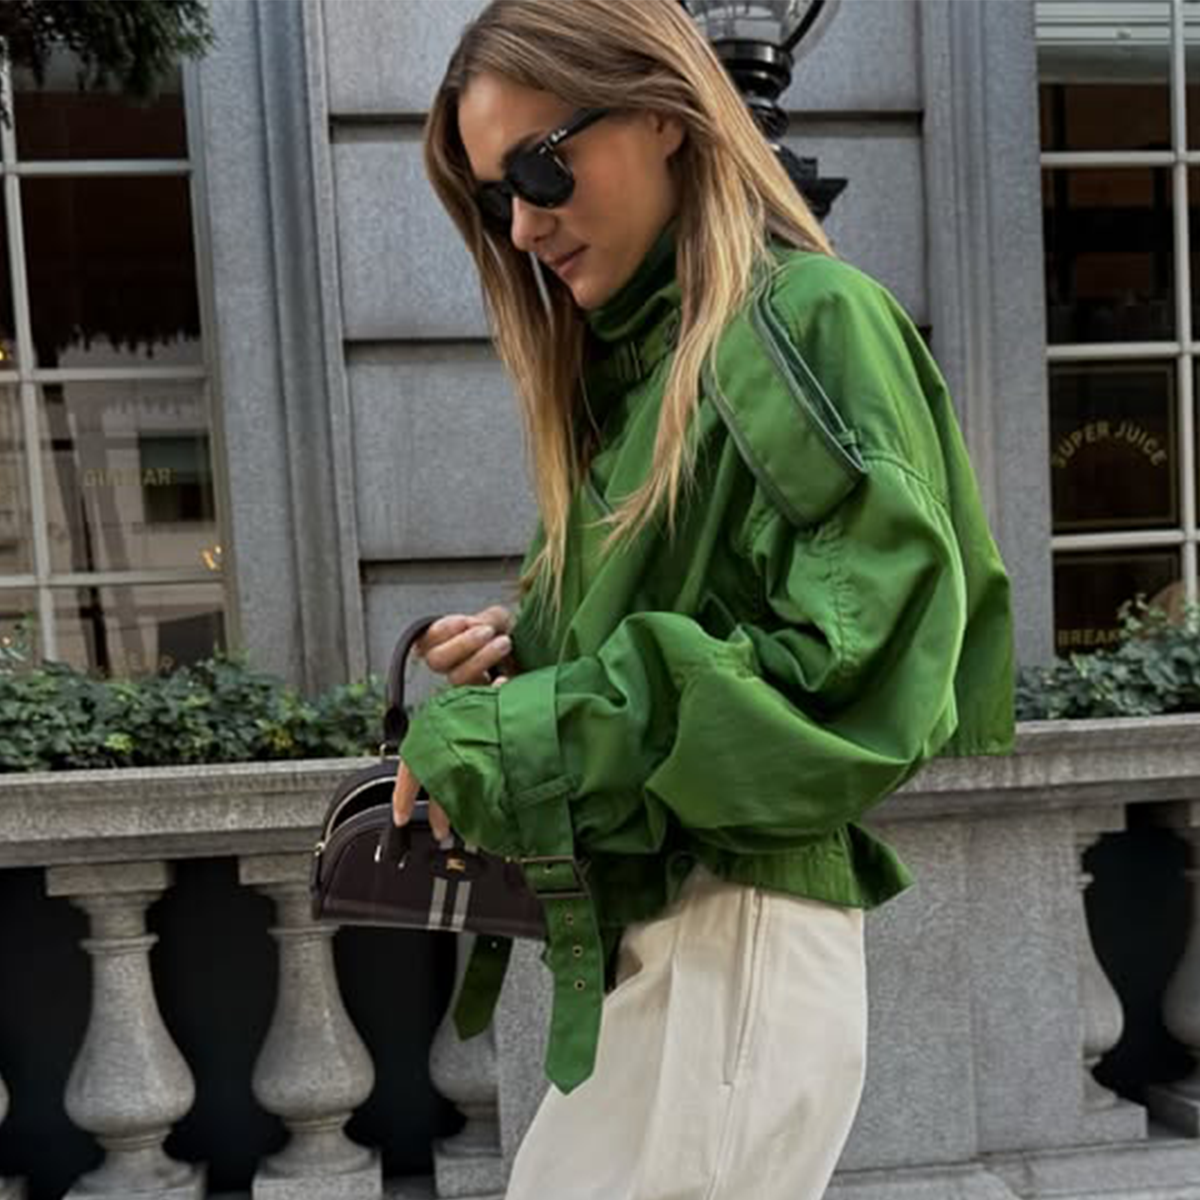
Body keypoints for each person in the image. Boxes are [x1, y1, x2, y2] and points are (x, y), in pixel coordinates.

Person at [391, 1, 1016, 1196]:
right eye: (493, 196)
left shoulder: (797, 323)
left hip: (732, 941)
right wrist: (537, 650)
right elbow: (719, 629)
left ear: (664, 113)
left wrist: (527, 732)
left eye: (540, 165)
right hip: (677, 946)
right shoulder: (650, 371)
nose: (523, 223)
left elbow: (849, 674)